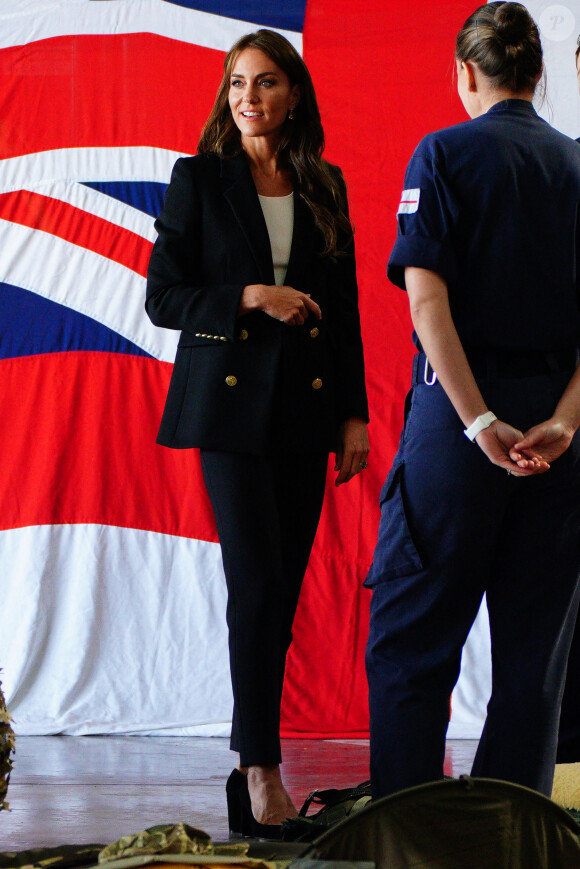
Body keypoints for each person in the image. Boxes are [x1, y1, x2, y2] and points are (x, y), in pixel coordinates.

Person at [145, 29, 369, 836]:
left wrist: (354, 414)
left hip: (307, 414)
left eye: (266, 83)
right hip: (230, 414)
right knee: (258, 584)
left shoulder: (324, 184)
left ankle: (255, 768)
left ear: (294, 94)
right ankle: (259, 764)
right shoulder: (199, 179)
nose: (249, 97)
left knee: (284, 591)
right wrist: (249, 296)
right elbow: (164, 297)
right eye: (238, 83)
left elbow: (341, 311)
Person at [365, 1, 580, 800]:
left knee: (412, 647)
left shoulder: (442, 154)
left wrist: (480, 420)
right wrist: (562, 420)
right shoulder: (578, 164)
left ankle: (411, 835)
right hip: (559, 438)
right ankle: (507, 839)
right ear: (537, 74)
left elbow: (429, 307)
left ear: (466, 72)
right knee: (535, 665)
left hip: (458, 431)